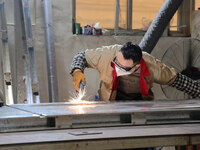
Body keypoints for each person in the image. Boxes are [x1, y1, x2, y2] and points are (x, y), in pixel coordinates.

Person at [70, 42, 200, 101]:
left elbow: (177, 80)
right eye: (116, 63)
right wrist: (77, 71)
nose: (117, 68)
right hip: (108, 103)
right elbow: (81, 56)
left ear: (136, 67)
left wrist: (198, 91)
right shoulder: (107, 54)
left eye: (123, 68)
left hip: (139, 106)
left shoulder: (152, 65)